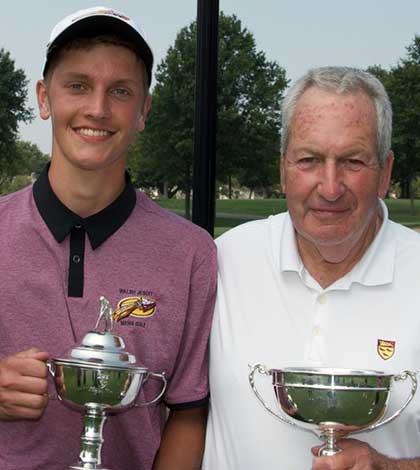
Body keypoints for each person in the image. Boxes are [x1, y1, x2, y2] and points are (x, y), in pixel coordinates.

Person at [0, 6, 216, 470]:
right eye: (77, 85)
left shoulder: (192, 253)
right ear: (44, 98)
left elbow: (188, 412)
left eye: (120, 91)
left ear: (144, 110)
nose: (97, 108)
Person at [203, 66, 420, 470]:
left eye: (353, 161)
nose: (331, 186)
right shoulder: (224, 260)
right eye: (309, 159)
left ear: (385, 171)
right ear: (283, 169)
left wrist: (389, 468)